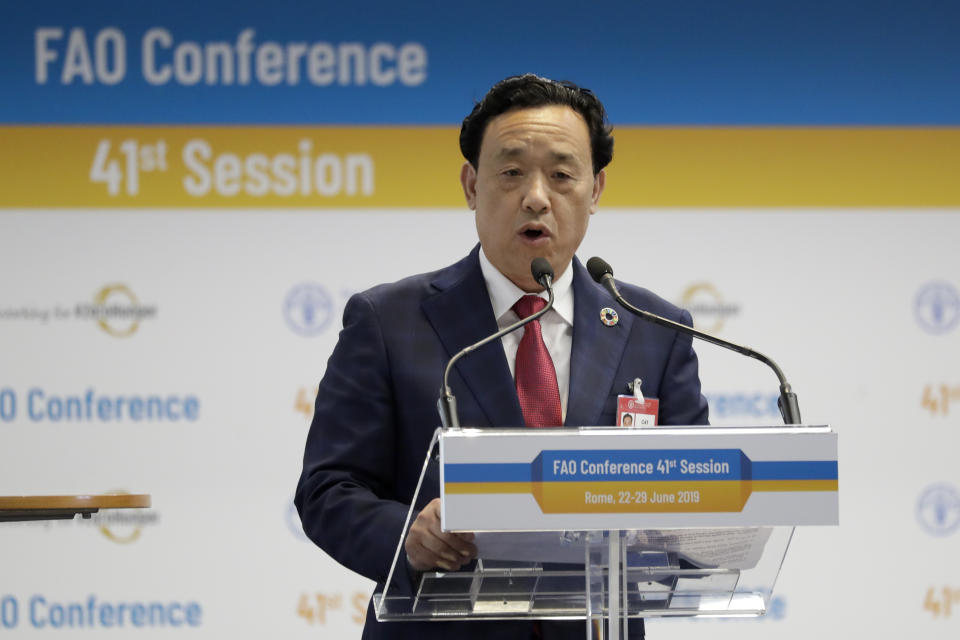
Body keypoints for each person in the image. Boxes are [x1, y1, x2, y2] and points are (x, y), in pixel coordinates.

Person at [295, 74, 709, 640]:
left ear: (596, 190)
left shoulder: (654, 329)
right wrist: (408, 536)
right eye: (511, 171)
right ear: (471, 185)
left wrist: (668, 535)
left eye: (562, 174)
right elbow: (328, 490)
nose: (537, 196)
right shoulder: (388, 322)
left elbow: (699, 500)